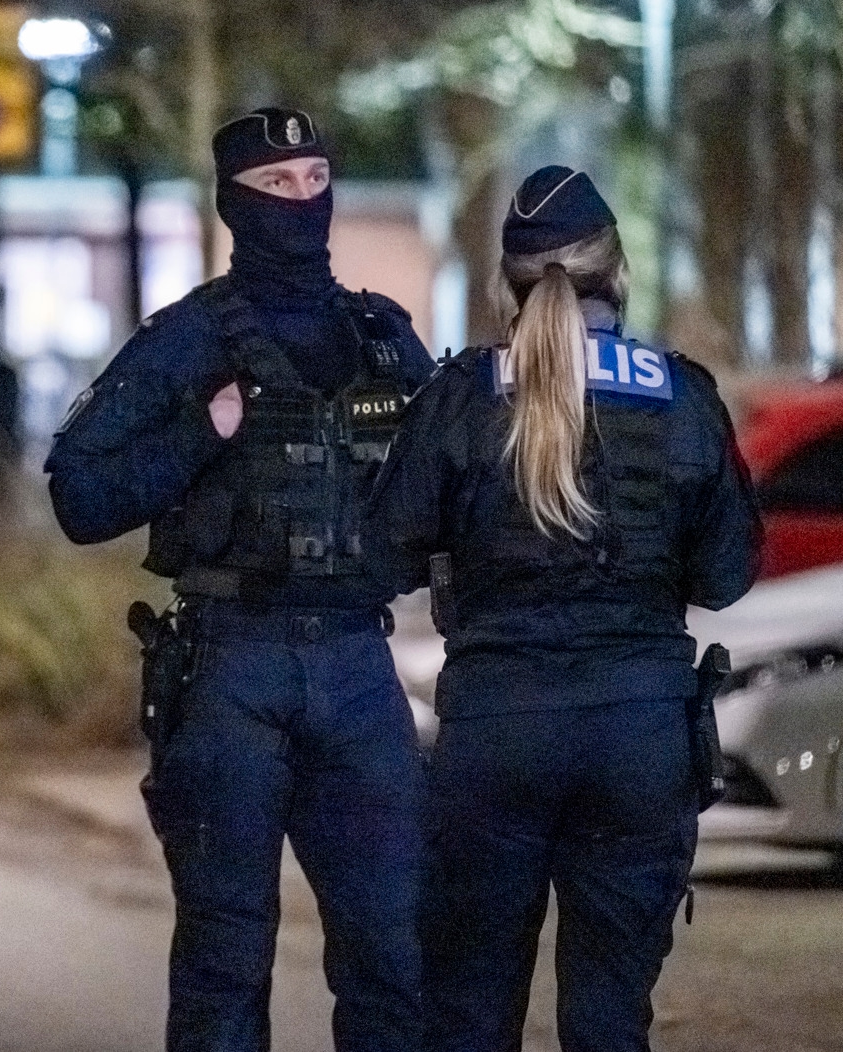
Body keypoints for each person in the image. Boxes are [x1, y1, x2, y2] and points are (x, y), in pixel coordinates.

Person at [45, 108, 436, 1051]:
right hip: (231, 669)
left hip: (357, 667)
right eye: (277, 186)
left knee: (395, 952)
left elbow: (453, 487)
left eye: (316, 179)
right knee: (227, 959)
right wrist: (201, 433)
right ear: (235, 205)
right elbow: (79, 495)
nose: (304, 201)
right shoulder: (186, 341)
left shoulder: (383, 338)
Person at [366, 166, 761, 1052]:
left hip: (497, 733)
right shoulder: (683, 393)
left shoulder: (463, 395)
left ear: (510, 285)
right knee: (611, 1018)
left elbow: (384, 550)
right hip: (640, 738)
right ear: (617, 273)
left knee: (467, 1013)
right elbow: (726, 576)